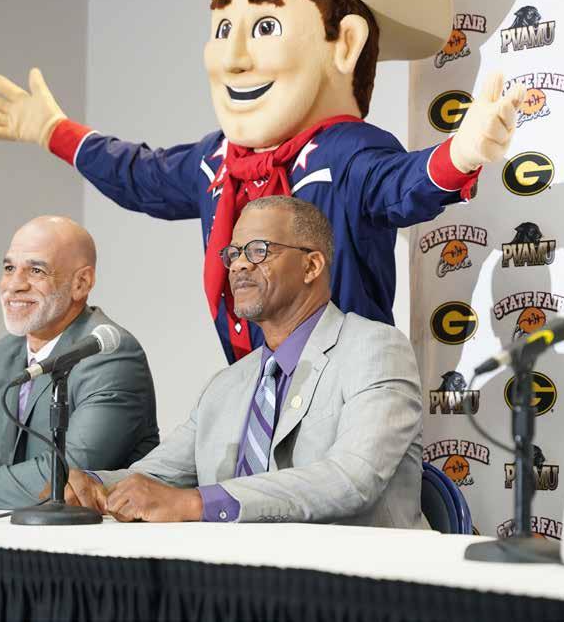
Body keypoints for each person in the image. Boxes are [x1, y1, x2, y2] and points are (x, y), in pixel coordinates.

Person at [0, 0, 525, 364]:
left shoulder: (345, 154)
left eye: (264, 27)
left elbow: (400, 185)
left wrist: (459, 154)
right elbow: (142, 175)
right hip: (254, 387)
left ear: (345, 44)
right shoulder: (217, 161)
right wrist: (55, 130)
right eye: (222, 28)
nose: (233, 58)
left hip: (345, 391)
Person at [59, 196, 423, 527]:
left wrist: (197, 503)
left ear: (311, 266)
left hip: (355, 574)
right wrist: (91, 484)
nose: (239, 266)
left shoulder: (376, 349)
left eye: (259, 250)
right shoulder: (226, 385)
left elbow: (352, 479)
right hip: (236, 574)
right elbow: (152, 478)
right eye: (233, 254)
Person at [0, 215, 159, 510]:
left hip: (90, 537)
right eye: (9, 268)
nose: (14, 285)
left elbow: (61, 478)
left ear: (81, 283)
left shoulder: (110, 356)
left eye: (36, 270)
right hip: (1, 532)